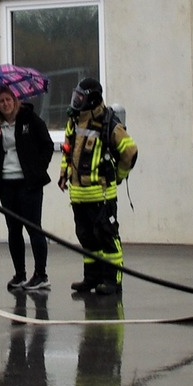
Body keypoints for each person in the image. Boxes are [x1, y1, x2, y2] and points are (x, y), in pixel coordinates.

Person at [57, 79, 137, 297]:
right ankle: (92, 277)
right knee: (87, 238)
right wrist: (64, 175)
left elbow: (130, 152)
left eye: (80, 98)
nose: (76, 101)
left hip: (101, 194)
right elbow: (67, 151)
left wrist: (118, 176)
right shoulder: (74, 122)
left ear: (92, 99)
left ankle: (113, 280)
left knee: (107, 238)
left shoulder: (108, 123)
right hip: (78, 194)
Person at [0, 84, 54, 293]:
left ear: (14, 100)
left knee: (34, 228)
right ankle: (20, 274)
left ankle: (41, 274)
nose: (5, 104)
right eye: (1, 101)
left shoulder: (29, 119)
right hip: (7, 184)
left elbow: (47, 145)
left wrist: (38, 168)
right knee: (14, 230)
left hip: (29, 183)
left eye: (8, 100)